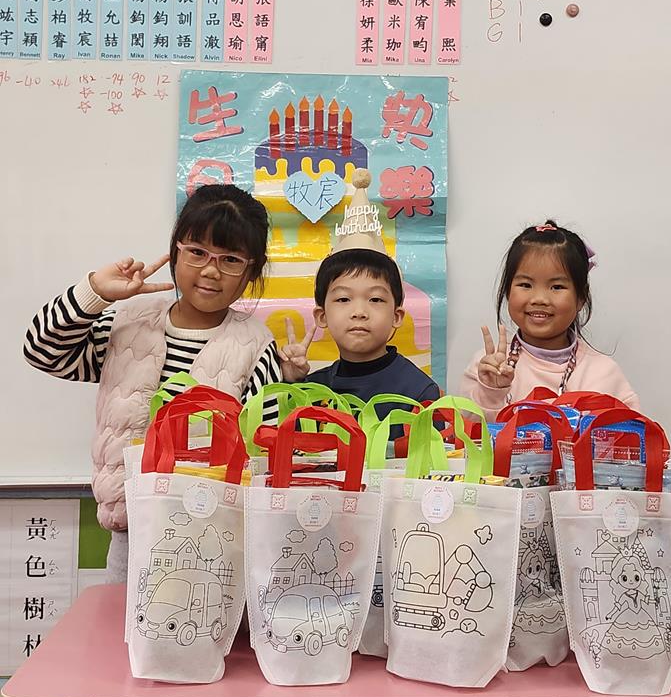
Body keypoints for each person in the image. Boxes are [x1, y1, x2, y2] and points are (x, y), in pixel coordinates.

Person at [23, 183, 305, 581]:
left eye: (230, 259)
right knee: (122, 620)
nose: (211, 270)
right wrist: (95, 292)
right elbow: (42, 352)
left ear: (251, 271)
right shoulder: (128, 323)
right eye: (197, 252)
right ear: (175, 251)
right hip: (129, 531)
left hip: (213, 536)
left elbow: (264, 450)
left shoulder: (255, 345)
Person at [287, 169, 440, 420]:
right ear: (322, 316)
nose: (359, 312)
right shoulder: (310, 390)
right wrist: (290, 383)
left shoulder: (418, 392)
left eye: (375, 299)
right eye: (343, 299)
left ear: (397, 316)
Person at [462, 220, 638, 421]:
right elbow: (465, 434)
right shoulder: (487, 366)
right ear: (508, 292)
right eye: (526, 285)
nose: (539, 299)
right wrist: (490, 392)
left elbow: (633, 435)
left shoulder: (604, 374)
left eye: (556, 287)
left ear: (581, 298)